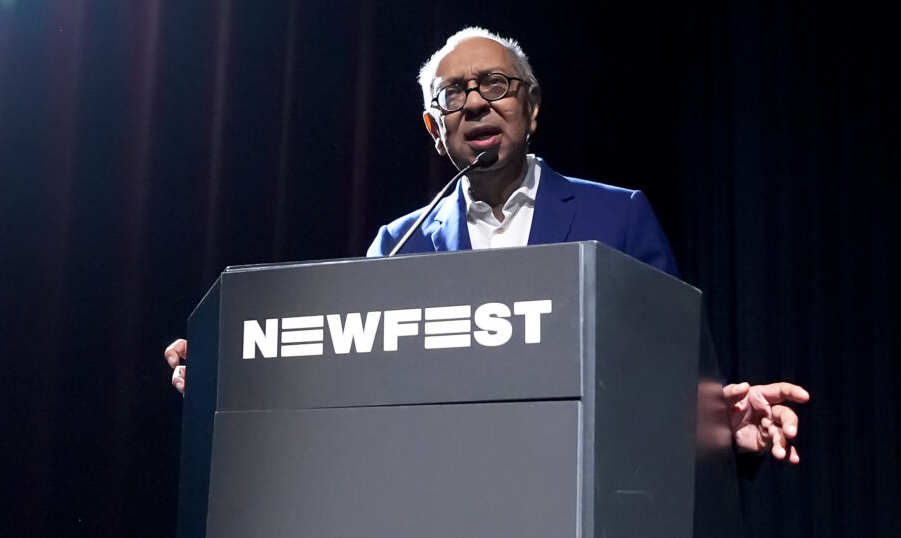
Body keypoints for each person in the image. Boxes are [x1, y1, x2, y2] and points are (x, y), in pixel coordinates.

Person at [165, 26, 809, 463]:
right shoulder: (397, 245)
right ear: (433, 126)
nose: (475, 103)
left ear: (531, 108)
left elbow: (670, 374)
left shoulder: (619, 217)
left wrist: (722, 427)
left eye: (496, 86)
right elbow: (351, 393)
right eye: (453, 95)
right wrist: (238, 377)